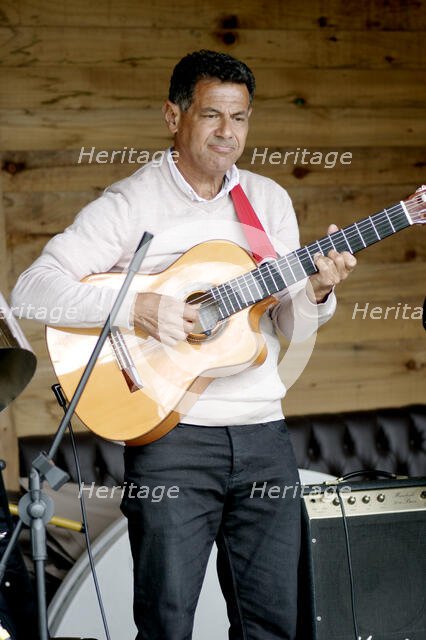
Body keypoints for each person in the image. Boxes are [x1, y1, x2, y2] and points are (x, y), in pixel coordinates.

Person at [11, 50, 356, 640]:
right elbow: (32, 290)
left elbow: (287, 327)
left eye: (241, 118)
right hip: (171, 442)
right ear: (174, 116)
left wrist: (318, 293)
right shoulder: (130, 201)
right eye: (212, 115)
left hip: (264, 436)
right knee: (167, 625)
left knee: (273, 624)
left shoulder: (267, 203)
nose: (228, 133)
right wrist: (136, 306)